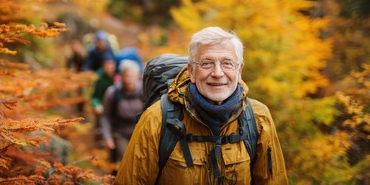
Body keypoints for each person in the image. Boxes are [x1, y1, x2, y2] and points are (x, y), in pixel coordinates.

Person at [114, 27, 288, 184]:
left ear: (239, 70)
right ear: (191, 71)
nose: (218, 73)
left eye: (227, 63)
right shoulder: (157, 119)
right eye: (206, 63)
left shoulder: (258, 118)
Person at [100, 59, 144, 171]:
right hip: (119, 133)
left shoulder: (143, 92)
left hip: (138, 132)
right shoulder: (113, 92)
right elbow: (105, 115)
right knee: (126, 159)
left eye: (131, 76)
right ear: (121, 76)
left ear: (137, 76)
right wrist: (107, 137)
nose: (128, 78)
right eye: (126, 75)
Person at [90, 53, 117, 147]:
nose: (109, 67)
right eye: (107, 64)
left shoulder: (119, 75)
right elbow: (94, 96)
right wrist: (96, 105)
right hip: (103, 105)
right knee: (100, 115)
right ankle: (99, 139)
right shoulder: (99, 78)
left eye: (111, 64)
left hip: (116, 105)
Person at [66, 39, 87, 114]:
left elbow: (85, 66)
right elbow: (68, 68)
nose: (75, 48)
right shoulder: (70, 57)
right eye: (73, 46)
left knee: (82, 94)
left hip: (82, 77)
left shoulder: (83, 55)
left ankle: (81, 110)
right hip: (74, 78)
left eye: (76, 46)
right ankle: (75, 111)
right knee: (74, 95)